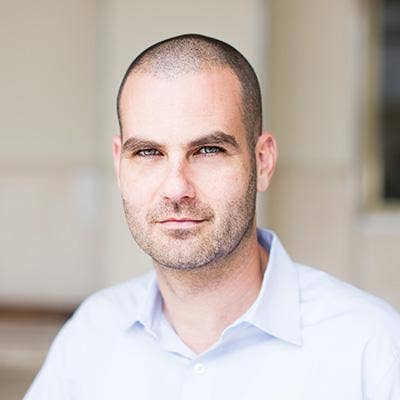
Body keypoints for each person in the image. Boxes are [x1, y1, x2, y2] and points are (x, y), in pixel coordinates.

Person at [25, 34, 400, 399]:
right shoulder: (91, 334)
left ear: (263, 162)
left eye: (208, 150)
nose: (176, 188)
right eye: (148, 152)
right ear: (119, 164)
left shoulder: (371, 349)